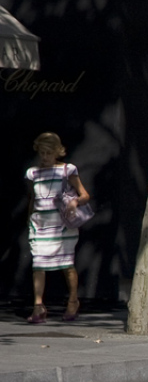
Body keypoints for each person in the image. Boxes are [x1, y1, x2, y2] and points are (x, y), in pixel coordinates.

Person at [24, 132, 90, 324]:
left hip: (62, 226)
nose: (44, 157)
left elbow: (85, 195)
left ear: (57, 152)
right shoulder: (34, 173)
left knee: (66, 265)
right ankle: (38, 306)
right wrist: (30, 219)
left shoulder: (67, 170)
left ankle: (73, 300)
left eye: (48, 153)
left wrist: (74, 202)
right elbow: (34, 199)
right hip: (40, 225)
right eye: (42, 153)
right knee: (38, 264)